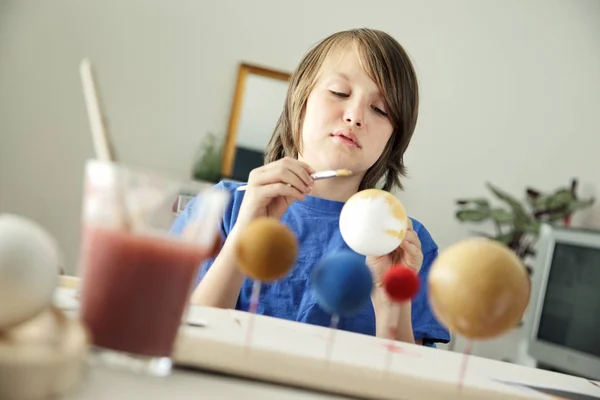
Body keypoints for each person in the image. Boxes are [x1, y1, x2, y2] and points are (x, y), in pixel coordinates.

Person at [171, 28, 450, 347]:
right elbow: (176, 337)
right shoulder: (220, 207)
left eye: (380, 110)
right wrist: (243, 237)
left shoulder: (407, 246)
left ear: (393, 139)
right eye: (339, 92)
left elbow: (409, 386)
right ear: (300, 100)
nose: (355, 116)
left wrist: (391, 304)